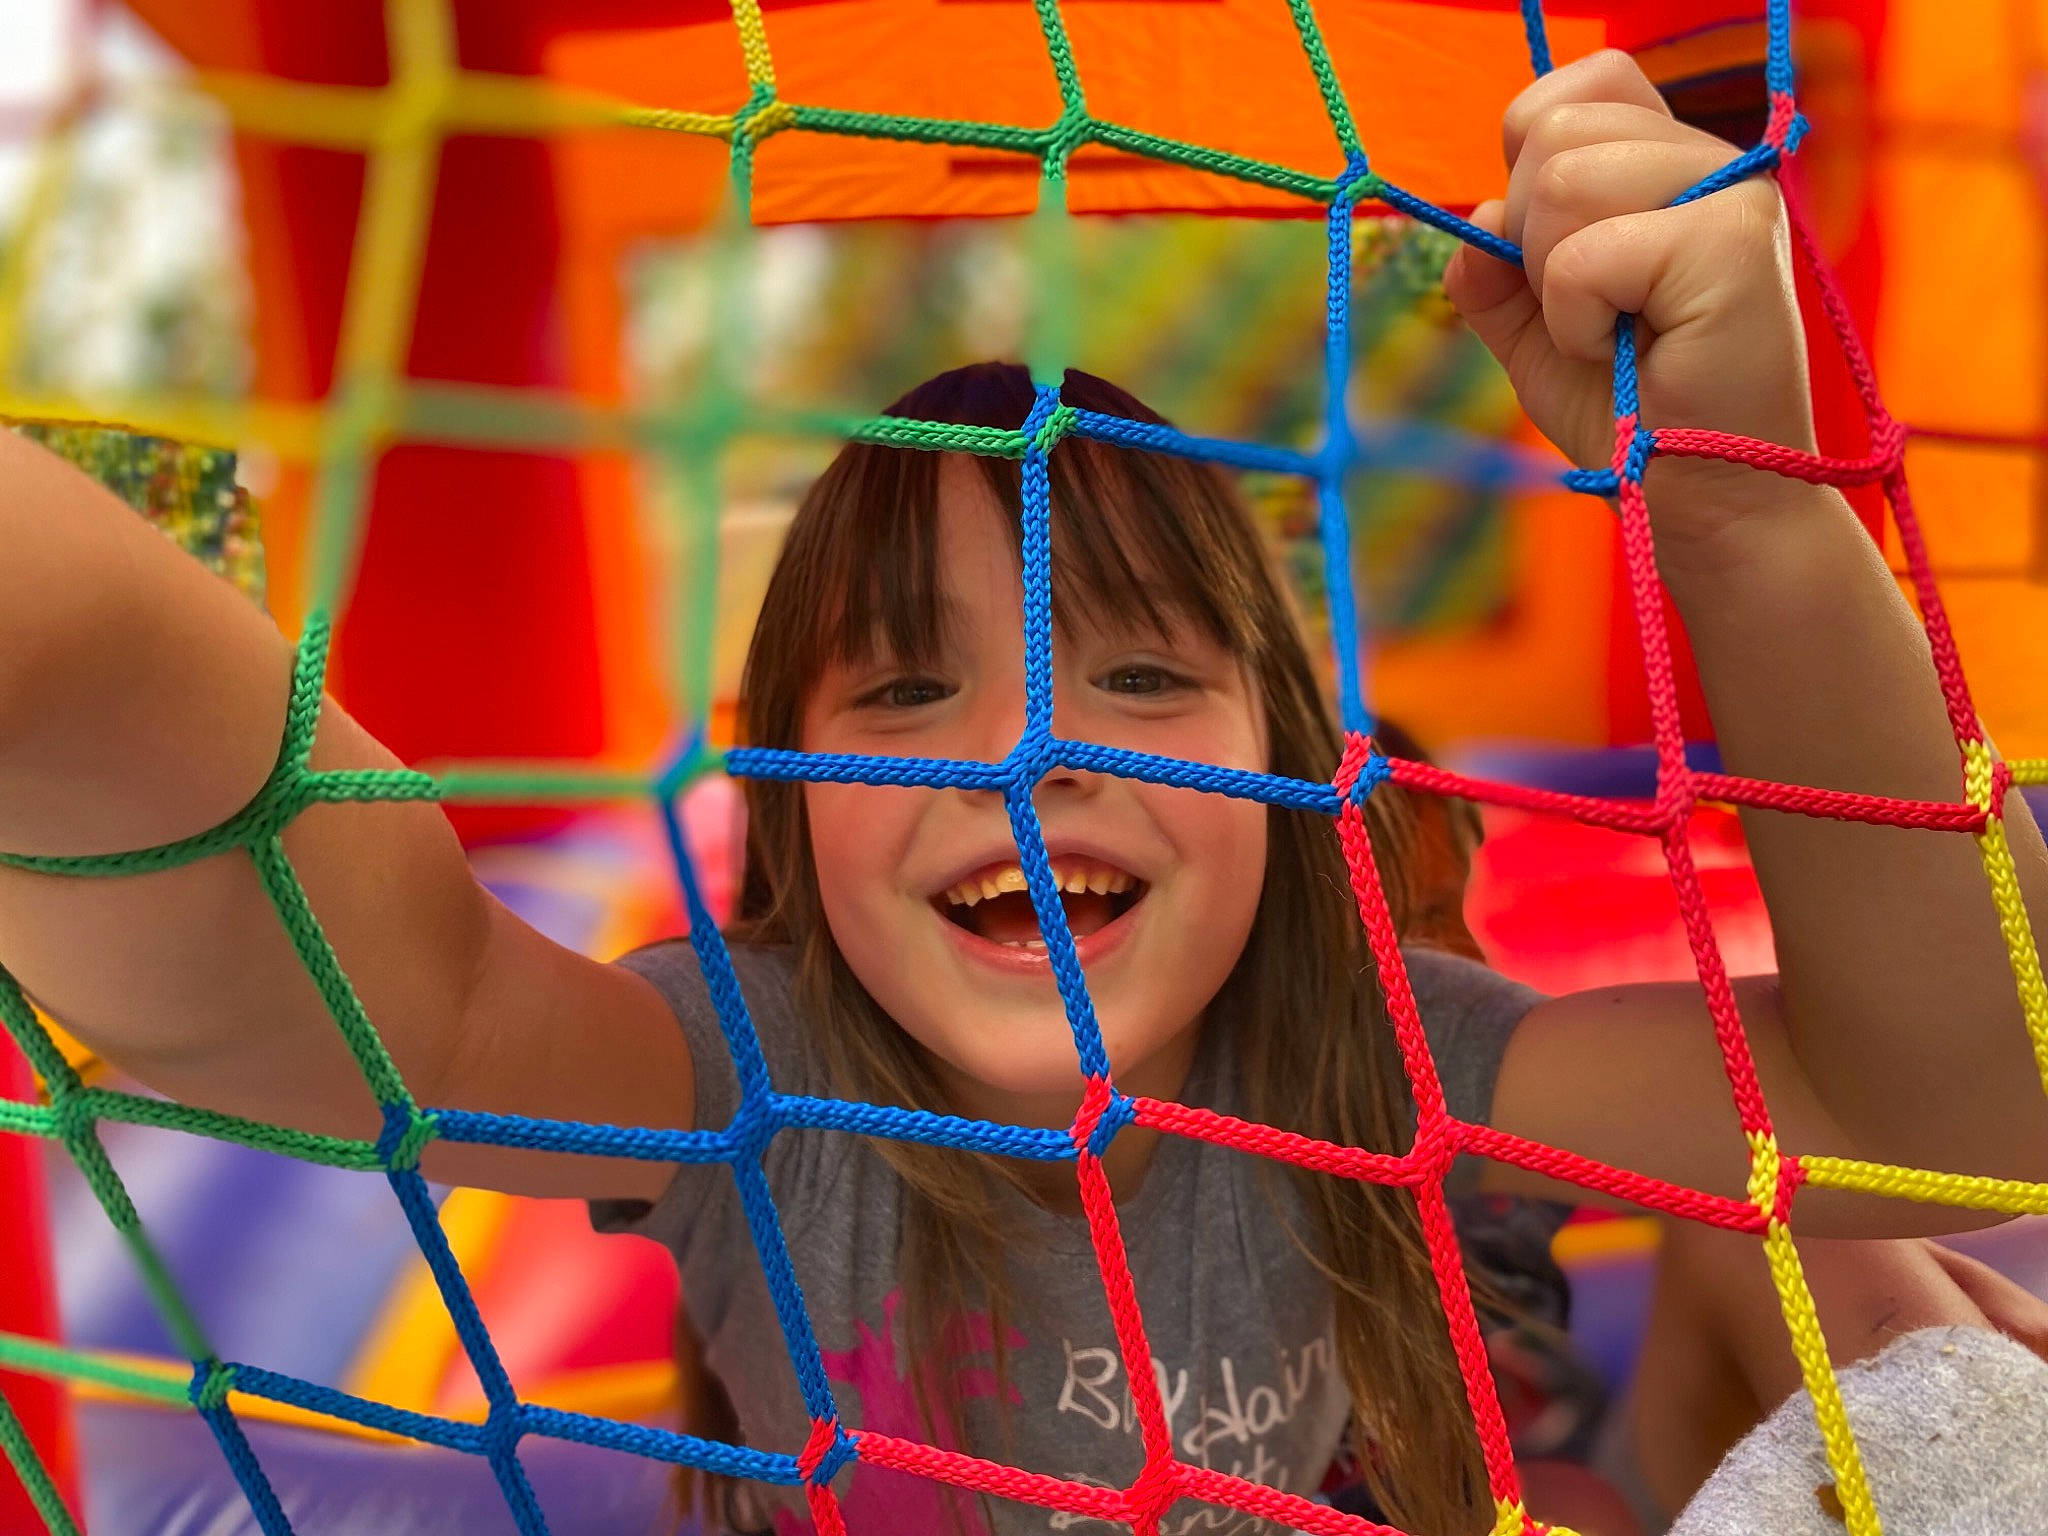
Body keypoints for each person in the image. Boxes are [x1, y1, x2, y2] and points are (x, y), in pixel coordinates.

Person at [2, 49, 2045, 1535]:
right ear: (785, 817)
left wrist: (1750, 517)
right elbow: (387, 1003)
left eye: (1145, 676)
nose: (1029, 747)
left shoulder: (1372, 1065)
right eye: (907, 691)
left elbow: (1949, 1120)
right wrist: (69, 635)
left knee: (1896, 1325)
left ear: (1285, 782)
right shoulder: (751, 1086)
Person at [1373, 718, 2048, 1526]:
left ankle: (2001, 1490)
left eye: (1452, 914)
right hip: (1413, 1498)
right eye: (1412, 935)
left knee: (1767, 1205)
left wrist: (1950, 1323)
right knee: (1556, 1499)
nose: (1456, 962)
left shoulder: (1485, 1084)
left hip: (1583, 1461)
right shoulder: (1268, 1142)